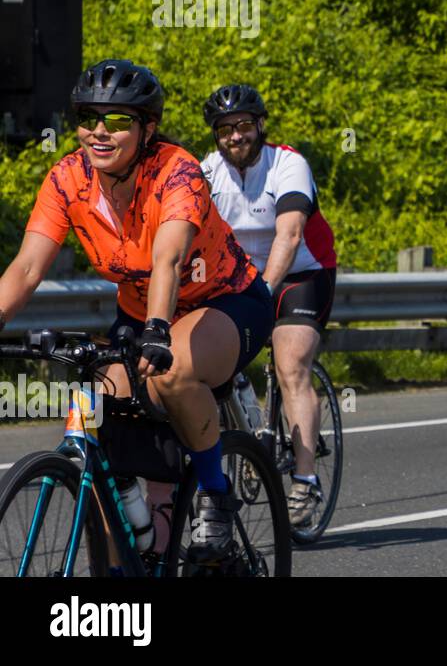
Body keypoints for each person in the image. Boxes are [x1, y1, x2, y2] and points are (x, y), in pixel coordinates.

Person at [0, 60, 273, 564]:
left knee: (173, 375)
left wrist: (157, 331)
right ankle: (131, 516)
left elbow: (167, 259)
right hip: (143, 312)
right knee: (94, 403)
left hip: (224, 300)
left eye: (119, 120)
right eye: (88, 117)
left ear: (146, 128)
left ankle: (214, 494)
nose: (100, 132)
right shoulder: (67, 179)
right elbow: (26, 269)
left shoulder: (177, 171)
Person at [200, 84, 337, 530]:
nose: (235, 137)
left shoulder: (288, 164)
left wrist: (260, 294)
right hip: (240, 275)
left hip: (302, 273)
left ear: (260, 126)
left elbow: (290, 235)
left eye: (242, 126)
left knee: (291, 362)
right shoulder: (207, 172)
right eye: (225, 130)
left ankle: (305, 479)